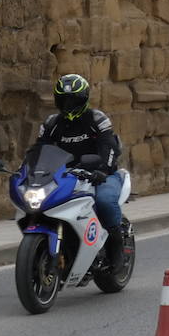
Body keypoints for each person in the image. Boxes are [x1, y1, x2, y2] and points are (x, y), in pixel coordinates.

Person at [32, 73, 128, 267]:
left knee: (105, 201)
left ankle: (116, 246)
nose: (68, 105)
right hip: (64, 177)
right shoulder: (51, 124)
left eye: (73, 100)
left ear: (83, 99)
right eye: (64, 100)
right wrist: (28, 170)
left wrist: (103, 169)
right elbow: (39, 150)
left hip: (100, 175)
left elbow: (109, 148)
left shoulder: (97, 119)